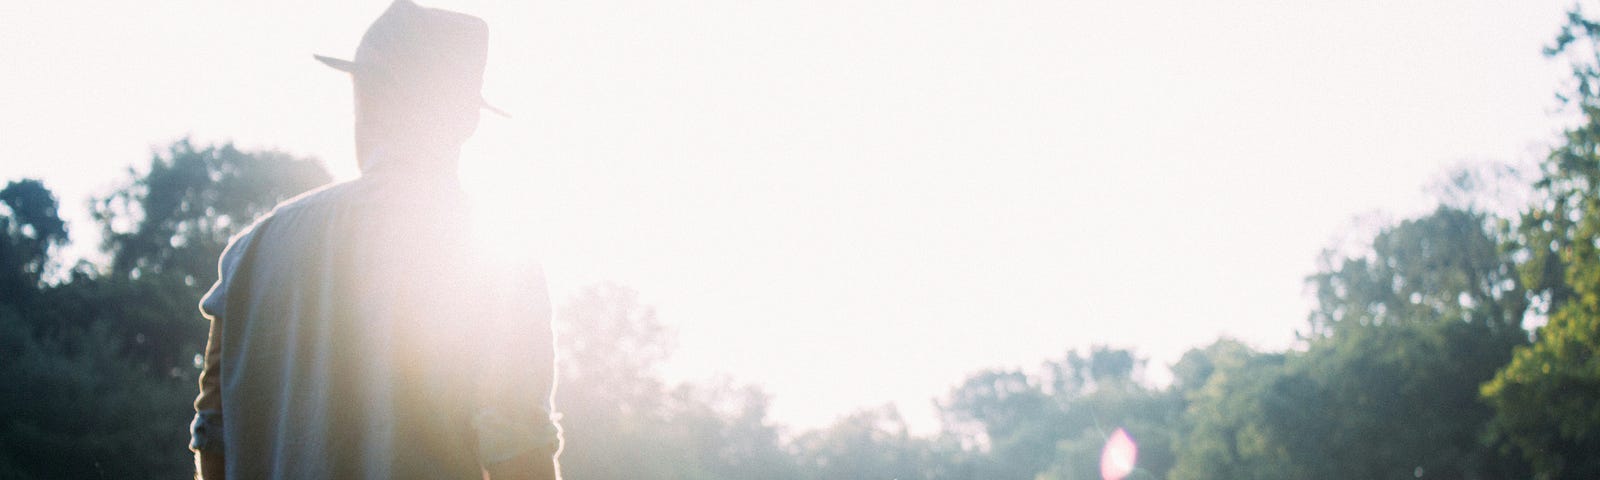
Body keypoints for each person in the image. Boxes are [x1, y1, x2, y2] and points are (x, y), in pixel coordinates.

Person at [188, 1, 562, 478]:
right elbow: (520, 456)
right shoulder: (499, 263)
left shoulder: (251, 253)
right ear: (467, 118)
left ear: (362, 94)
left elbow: (212, 435)